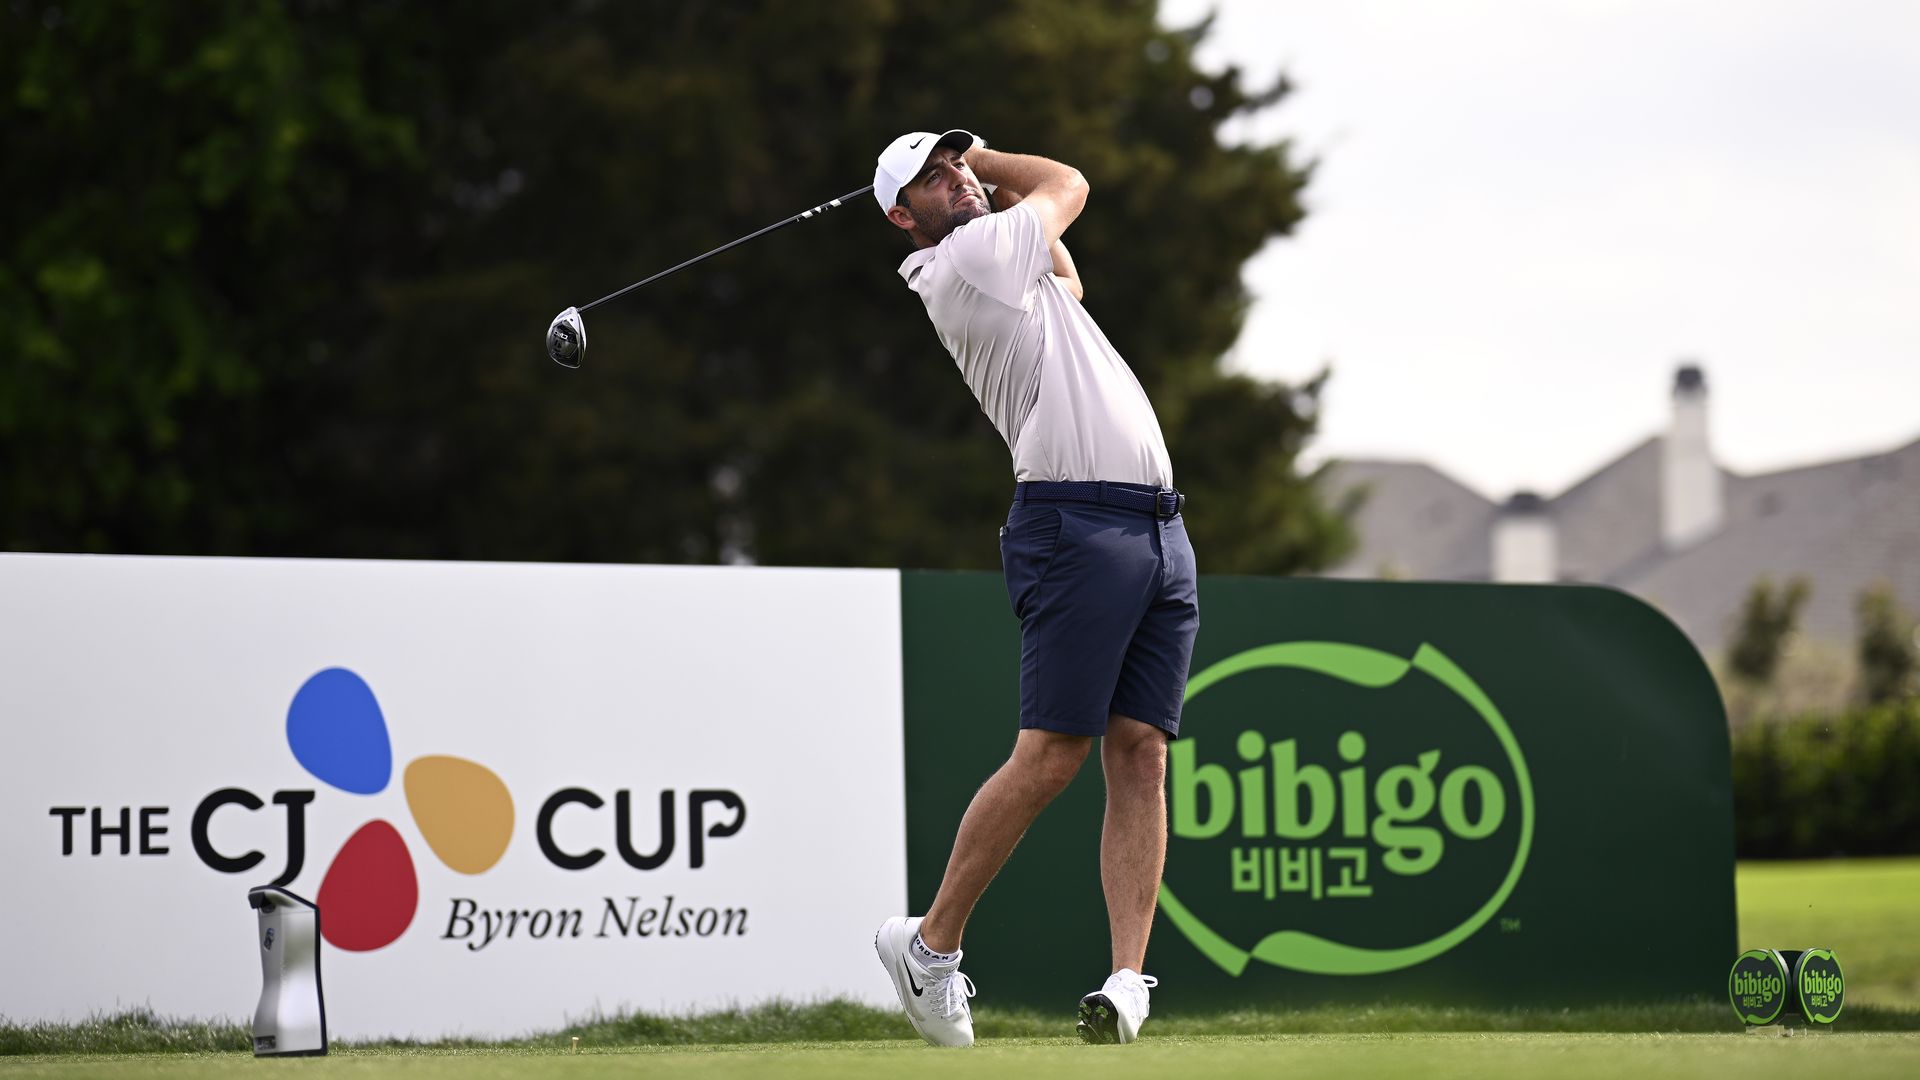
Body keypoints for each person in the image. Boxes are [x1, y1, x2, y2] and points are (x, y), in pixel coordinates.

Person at [868, 129, 1199, 1047]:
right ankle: (931, 948)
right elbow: (1069, 183)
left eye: (956, 166)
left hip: (1157, 527)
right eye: (933, 180)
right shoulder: (965, 258)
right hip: (1073, 523)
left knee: (1141, 752)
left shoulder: (1011, 258)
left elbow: (1068, 271)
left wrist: (977, 174)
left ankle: (1128, 980)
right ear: (905, 219)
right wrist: (993, 151)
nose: (956, 181)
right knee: (1053, 753)